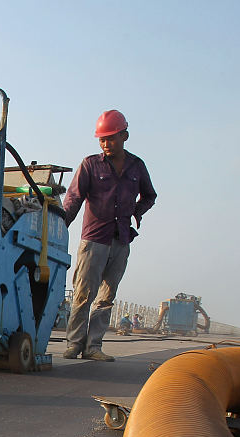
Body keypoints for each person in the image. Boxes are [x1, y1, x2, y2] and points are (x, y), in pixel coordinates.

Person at [59, 110, 157, 361]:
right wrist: (61, 228)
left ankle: (93, 347)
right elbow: (73, 198)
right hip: (94, 239)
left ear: (124, 135)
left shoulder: (137, 166)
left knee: (106, 297)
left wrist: (138, 211)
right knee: (83, 293)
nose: (106, 143)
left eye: (111, 138)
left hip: (121, 240)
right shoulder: (90, 164)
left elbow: (150, 195)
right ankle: (74, 344)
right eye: (102, 139)